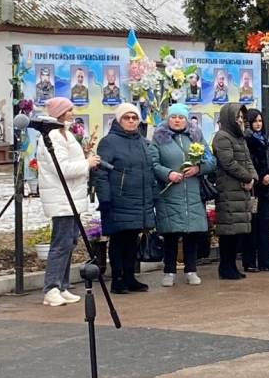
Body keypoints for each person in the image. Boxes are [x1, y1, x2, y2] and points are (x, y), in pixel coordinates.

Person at [37, 97, 101, 306]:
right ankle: (51, 288)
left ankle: (61, 285)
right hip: (61, 197)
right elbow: (62, 169)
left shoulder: (64, 133)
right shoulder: (53, 136)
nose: (73, 113)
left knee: (69, 241)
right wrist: (87, 163)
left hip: (71, 197)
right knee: (61, 243)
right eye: (69, 110)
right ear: (60, 112)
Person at [150, 103, 217, 287]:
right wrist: (168, 173)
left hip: (192, 193)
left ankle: (191, 270)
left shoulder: (196, 137)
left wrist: (198, 169)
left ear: (186, 119)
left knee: (191, 233)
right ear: (168, 118)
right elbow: (153, 163)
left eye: (181, 117)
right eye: (173, 117)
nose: (177, 120)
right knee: (171, 233)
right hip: (170, 193)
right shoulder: (159, 139)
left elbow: (211, 161)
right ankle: (169, 270)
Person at [94, 103, 156, 294]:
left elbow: (148, 170)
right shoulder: (109, 142)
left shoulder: (142, 142)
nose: (131, 121)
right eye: (126, 117)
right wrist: (105, 199)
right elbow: (100, 173)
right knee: (119, 240)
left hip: (139, 199)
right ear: (119, 120)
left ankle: (130, 276)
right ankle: (117, 278)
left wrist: (152, 196)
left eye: (134, 117)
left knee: (132, 239)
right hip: (118, 200)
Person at [212, 103, 257, 279]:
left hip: (241, 189)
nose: (240, 120)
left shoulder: (240, 138)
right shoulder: (222, 137)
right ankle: (225, 266)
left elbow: (248, 161)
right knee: (228, 231)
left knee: (236, 230)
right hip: (229, 189)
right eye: (237, 117)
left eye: (241, 117)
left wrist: (253, 178)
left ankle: (231, 266)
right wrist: (247, 177)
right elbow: (228, 162)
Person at [242, 109, 269, 272]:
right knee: (252, 227)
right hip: (254, 191)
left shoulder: (265, 140)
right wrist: (261, 177)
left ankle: (266, 260)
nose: (258, 124)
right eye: (255, 121)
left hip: (266, 191)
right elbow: (250, 164)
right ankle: (250, 261)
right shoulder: (248, 140)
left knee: (265, 226)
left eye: (260, 121)